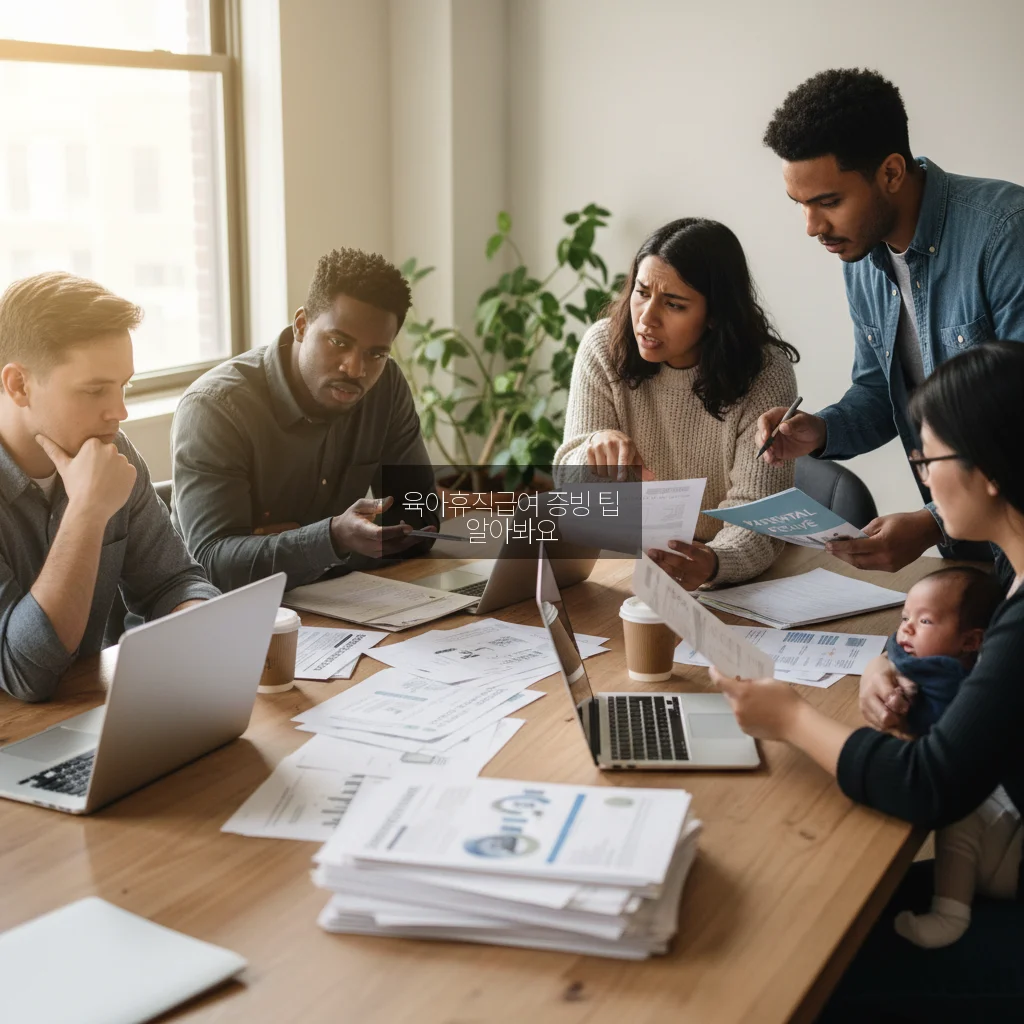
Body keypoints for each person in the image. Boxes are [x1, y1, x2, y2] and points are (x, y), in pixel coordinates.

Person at [709, 341, 1024, 1018]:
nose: (924, 481)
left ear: (991, 471)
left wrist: (790, 719)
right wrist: (885, 660)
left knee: (797, 964)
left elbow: (928, 784)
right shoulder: (1006, 573)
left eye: (929, 460)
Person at [758, 68, 1024, 573]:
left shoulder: (1007, 234)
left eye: (829, 202)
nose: (812, 227)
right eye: (800, 205)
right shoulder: (862, 258)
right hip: (969, 553)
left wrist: (932, 521)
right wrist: (818, 430)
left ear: (892, 172)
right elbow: (881, 395)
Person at [0, 272, 219, 703]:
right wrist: (86, 510)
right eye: (95, 390)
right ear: (19, 385)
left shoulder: (111, 451)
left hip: (83, 715)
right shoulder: (101, 468)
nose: (118, 412)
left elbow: (175, 581)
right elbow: (27, 673)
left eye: (124, 387)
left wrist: (197, 623)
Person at [171, 248, 440, 592]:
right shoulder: (214, 408)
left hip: (334, 608)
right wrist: (330, 538)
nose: (355, 369)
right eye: (338, 342)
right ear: (301, 325)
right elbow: (212, 565)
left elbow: (420, 525)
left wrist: (299, 544)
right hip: (222, 623)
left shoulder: (386, 387)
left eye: (376, 354)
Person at [554, 218, 799, 589]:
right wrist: (591, 451)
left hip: (725, 577)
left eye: (674, 304)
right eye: (641, 292)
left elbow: (758, 518)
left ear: (715, 315)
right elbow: (567, 487)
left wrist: (713, 563)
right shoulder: (603, 347)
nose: (646, 318)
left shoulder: (764, 374)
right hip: (632, 566)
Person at [883, 568, 1010, 948]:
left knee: (959, 816)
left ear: (971, 641)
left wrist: (886, 666)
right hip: (1001, 833)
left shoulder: (948, 675)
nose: (905, 630)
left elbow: (900, 658)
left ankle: (949, 915)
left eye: (924, 621)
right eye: (905, 617)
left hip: (1002, 859)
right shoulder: (971, 664)